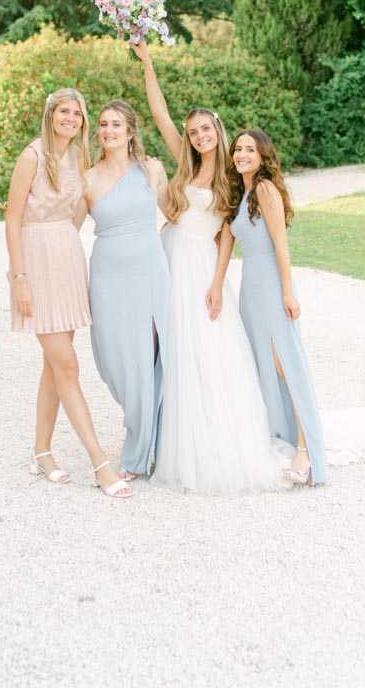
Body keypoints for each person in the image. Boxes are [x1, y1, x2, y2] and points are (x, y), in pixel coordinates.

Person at [132, 43, 286, 495]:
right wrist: (148, 64)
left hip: (201, 267)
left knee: (206, 348)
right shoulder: (184, 161)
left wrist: (218, 284)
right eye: (193, 130)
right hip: (168, 258)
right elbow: (159, 115)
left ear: (218, 130)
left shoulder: (234, 175)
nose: (199, 136)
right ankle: (165, 437)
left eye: (206, 129)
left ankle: (213, 441)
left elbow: (227, 236)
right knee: (173, 349)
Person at [5, 88, 133, 499]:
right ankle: (100, 462)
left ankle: (42, 451)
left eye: (78, 114)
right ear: (51, 114)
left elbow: (89, 205)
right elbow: (10, 217)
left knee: (54, 367)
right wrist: (19, 277)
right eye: (65, 112)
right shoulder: (32, 156)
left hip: (68, 259)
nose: (72, 119)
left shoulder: (78, 159)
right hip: (36, 262)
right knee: (68, 366)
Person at [211, 129, 326, 485]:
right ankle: (285, 438)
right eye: (238, 149)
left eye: (250, 149)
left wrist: (288, 293)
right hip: (250, 292)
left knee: (286, 364)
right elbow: (226, 246)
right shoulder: (239, 194)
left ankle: (307, 450)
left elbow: (282, 246)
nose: (242, 154)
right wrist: (215, 287)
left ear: (262, 155)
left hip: (272, 289)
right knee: (265, 365)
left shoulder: (265, 189)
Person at [77, 100, 169, 481]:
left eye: (116, 124)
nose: (108, 130)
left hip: (149, 272)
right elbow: (67, 230)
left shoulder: (152, 170)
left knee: (148, 357)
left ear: (131, 131)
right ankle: (141, 430)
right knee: (115, 362)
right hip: (108, 277)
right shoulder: (88, 178)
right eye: (103, 124)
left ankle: (143, 450)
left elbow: (177, 213)